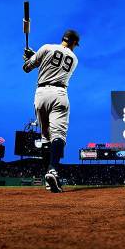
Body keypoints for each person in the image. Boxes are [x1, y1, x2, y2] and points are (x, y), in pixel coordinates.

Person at [23, 29, 80, 193]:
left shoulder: (46, 47)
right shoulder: (74, 59)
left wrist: (30, 57)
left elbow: (27, 68)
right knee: (59, 135)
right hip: (60, 94)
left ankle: (48, 180)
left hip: (40, 95)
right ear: (74, 43)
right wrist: (36, 57)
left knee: (45, 137)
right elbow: (56, 63)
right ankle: (53, 170)